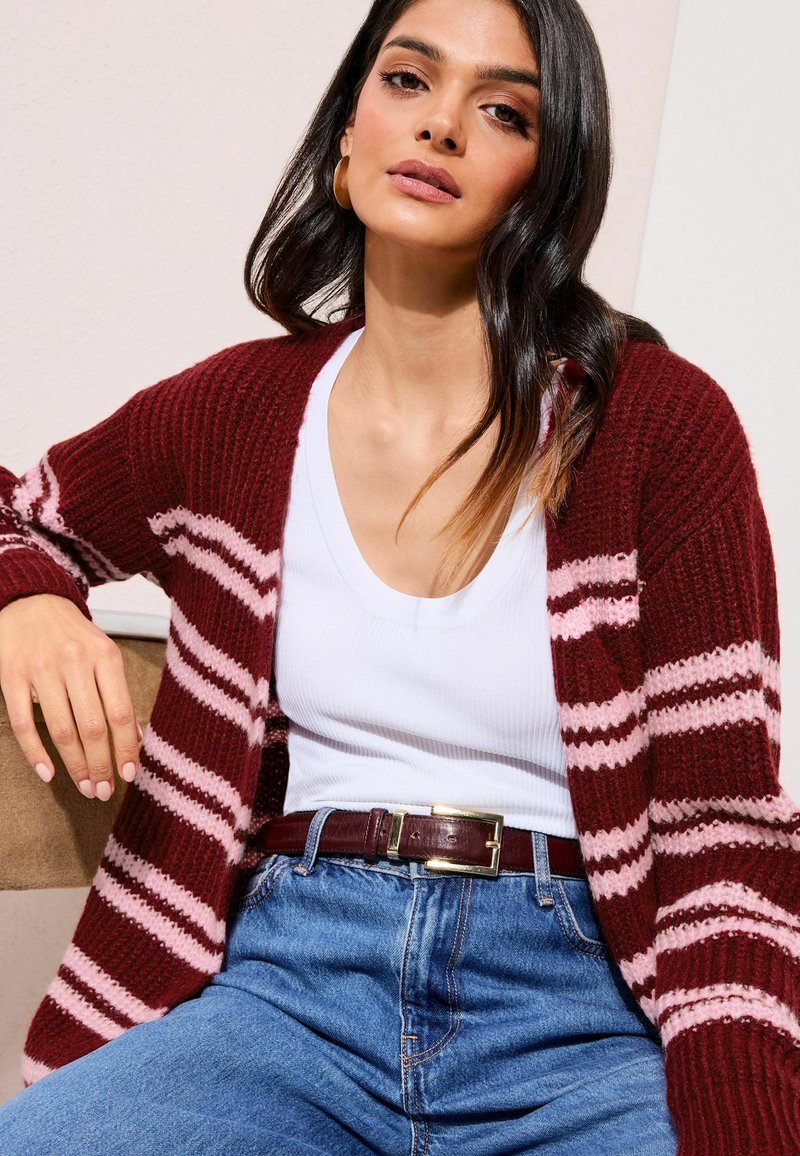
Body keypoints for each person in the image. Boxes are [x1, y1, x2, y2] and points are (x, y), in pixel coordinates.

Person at [0, 0, 797, 1152]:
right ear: (346, 133)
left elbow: (723, 827)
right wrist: (29, 592)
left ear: (549, 178)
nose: (440, 127)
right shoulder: (238, 411)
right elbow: (20, 510)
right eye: (408, 81)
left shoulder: (657, 428)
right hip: (289, 995)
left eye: (503, 111)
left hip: (573, 1014)